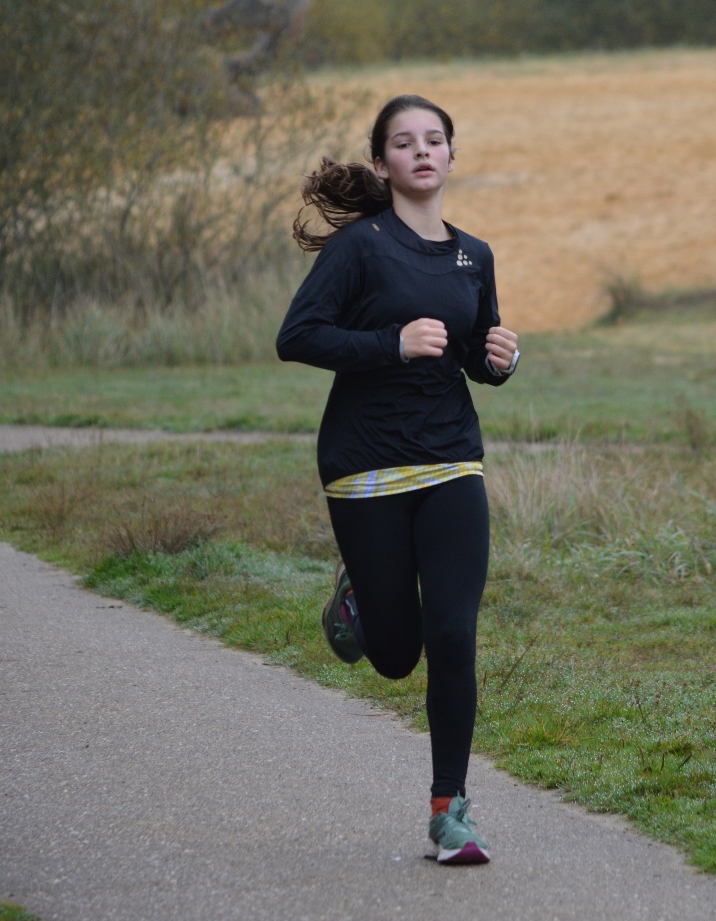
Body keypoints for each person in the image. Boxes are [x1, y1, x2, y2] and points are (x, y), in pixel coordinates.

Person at [276, 94, 519, 865]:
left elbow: (472, 353)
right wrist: (392, 342)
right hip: (365, 464)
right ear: (382, 163)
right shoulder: (360, 248)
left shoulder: (473, 255)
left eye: (435, 140)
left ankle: (451, 809)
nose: (422, 152)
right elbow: (298, 336)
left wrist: (499, 361)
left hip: (451, 457)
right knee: (394, 655)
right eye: (404, 143)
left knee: (452, 632)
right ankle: (358, 592)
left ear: (451, 156)